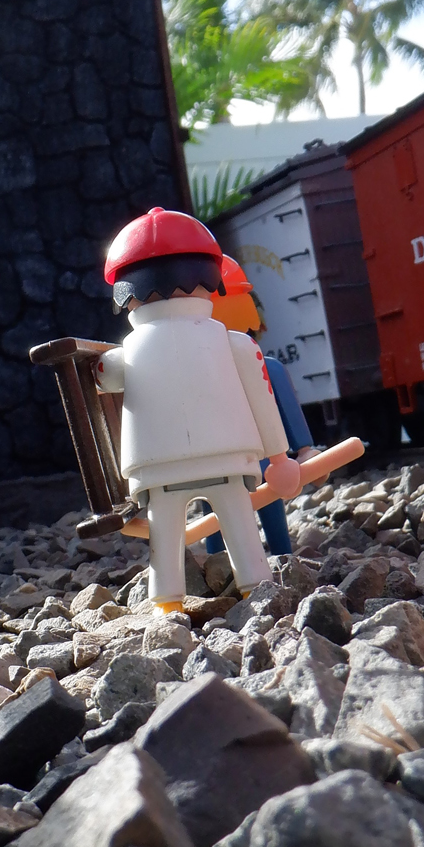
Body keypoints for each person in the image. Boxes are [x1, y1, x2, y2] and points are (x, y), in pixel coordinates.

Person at [95, 207, 301, 612]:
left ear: (126, 292)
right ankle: (256, 590)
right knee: (240, 525)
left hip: (159, 469)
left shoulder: (127, 353)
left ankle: (167, 605)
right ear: (210, 278)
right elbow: (263, 397)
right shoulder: (234, 342)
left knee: (165, 536)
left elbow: (104, 377)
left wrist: (101, 369)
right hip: (228, 459)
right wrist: (279, 457)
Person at [203, 256, 320, 559]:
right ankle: (220, 561)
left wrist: (305, 450)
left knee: (247, 508)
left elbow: (287, 410)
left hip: (255, 461)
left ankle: (272, 556)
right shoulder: (207, 375)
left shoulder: (266, 368)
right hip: (230, 461)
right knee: (217, 515)